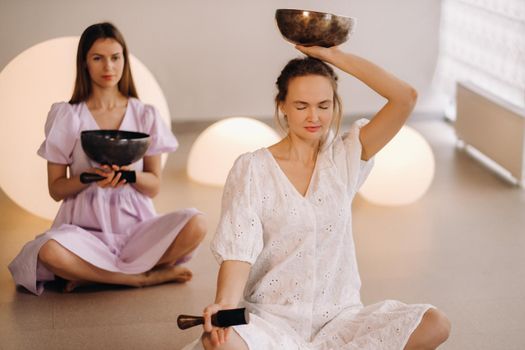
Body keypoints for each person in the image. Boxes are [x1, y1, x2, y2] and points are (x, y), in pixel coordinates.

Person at [191, 45, 451, 349]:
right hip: (271, 321)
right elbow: (238, 249)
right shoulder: (252, 168)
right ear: (282, 106)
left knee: (435, 324)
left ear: (334, 105)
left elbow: (405, 97)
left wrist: (335, 58)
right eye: (301, 105)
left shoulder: (345, 158)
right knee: (217, 342)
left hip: (340, 320)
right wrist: (224, 304)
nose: (314, 116)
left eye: (324, 105)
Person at [8, 22, 206, 295]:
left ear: (124, 59)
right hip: (83, 233)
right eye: (97, 58)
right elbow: (56, 189)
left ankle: (95, 276)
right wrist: (89, 178)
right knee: (49, 251)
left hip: (137, 230)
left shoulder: (145, 113)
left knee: (198, 223)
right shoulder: (68, 115)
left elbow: (154, 185)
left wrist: (129, 176)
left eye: (115, 57)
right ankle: (138, 278)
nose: (108, 67)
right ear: (85, 63)